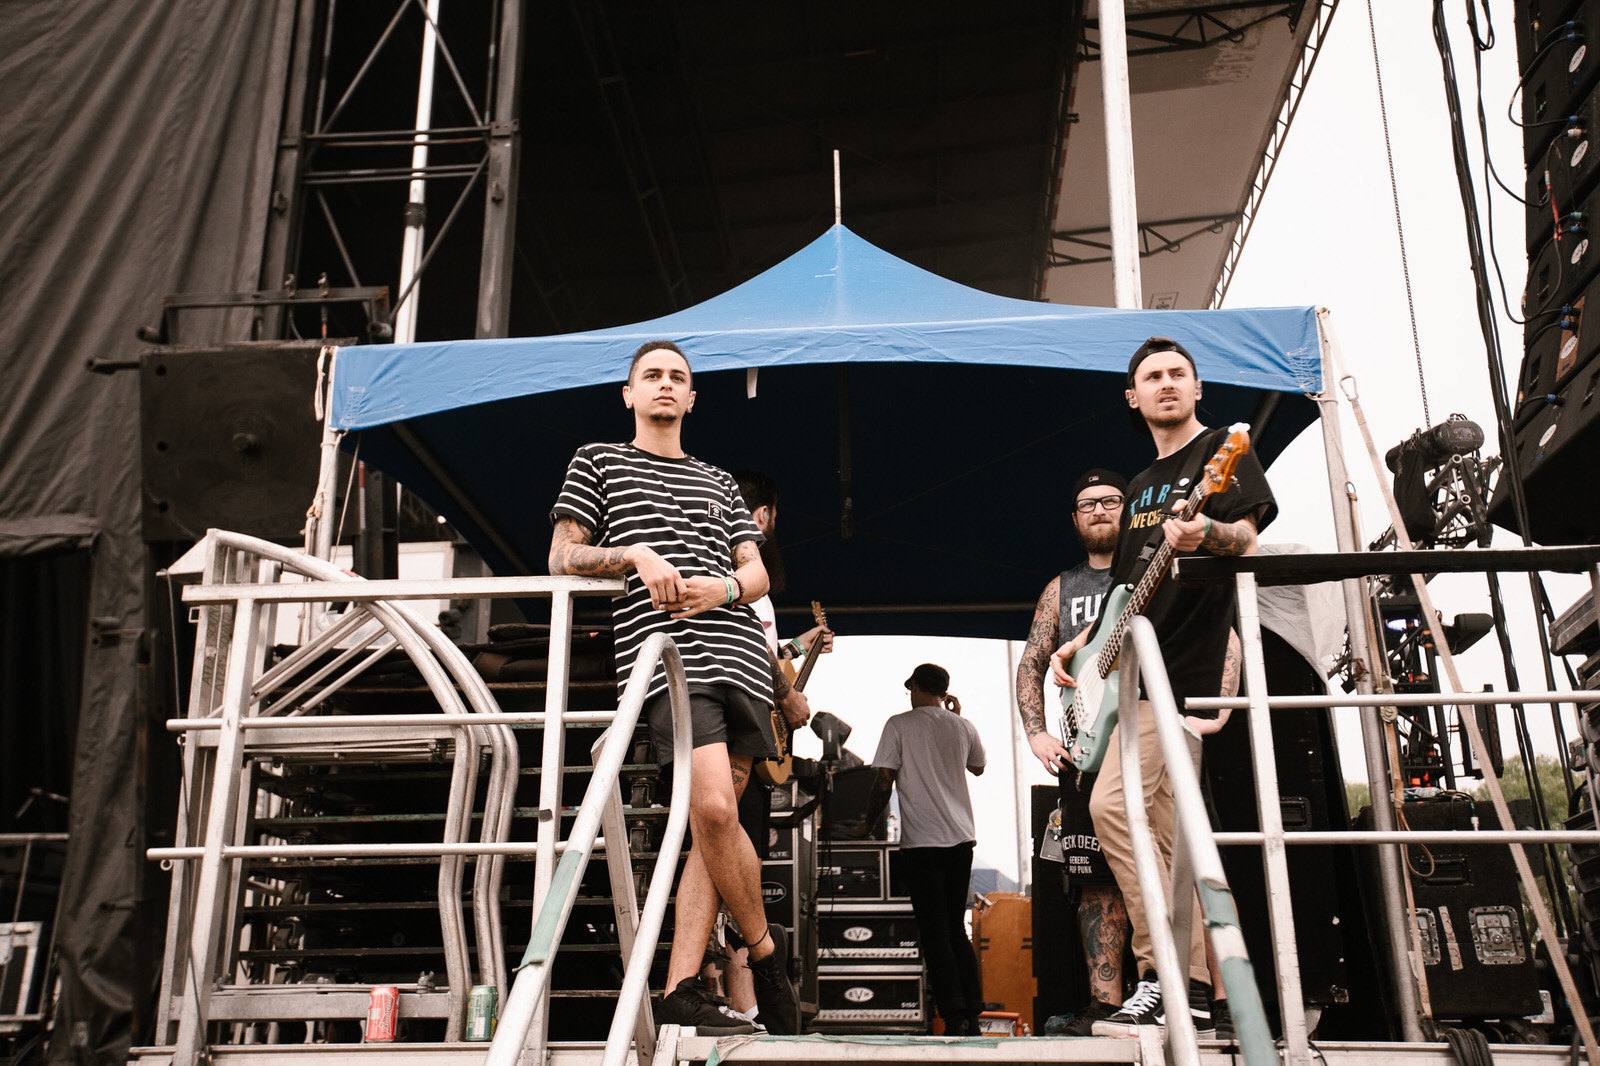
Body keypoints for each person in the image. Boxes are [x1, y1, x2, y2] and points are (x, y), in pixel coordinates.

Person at [548, 339, 801, 1036]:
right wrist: (634, 553)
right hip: (669, 662)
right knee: (715, 810)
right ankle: (767, 954)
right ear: (628, 394)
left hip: (741, 658)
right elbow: (563, 555)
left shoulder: (719, 481)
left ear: (692, 399)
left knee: (708, 830)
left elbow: (756, 575)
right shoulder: (598, 460)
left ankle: (681, 988)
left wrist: (721, 588)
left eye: (678, 377)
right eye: (651, 375)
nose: (665, 384)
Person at [1051, 337, 1275, 1036]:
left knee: (1111, 808)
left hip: (1177, 677)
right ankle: (1199, 991)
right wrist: (1085, 643)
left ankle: (1161, 973)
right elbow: (1127, 586)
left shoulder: (1220, 453)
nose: (1167, 383)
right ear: (1134, 396)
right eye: (1153, 376)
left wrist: (1205, 531)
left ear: (1198, 387)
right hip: (1130, 677)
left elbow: (1248, 541)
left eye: (1179, 373)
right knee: (1171, 847)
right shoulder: (1143, 482)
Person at [713, 469, 833, 1028]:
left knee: (736, 861)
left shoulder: (739, 576)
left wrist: (800, 646)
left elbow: (764, 651)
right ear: (763, 516)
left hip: (743, 736)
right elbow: (746, 651)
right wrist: (788, 697)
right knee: (734, 862)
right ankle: (736, 998)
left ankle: (739, 1000)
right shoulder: (739, 570)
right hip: (734, 738)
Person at [1015, 468, 1130, 1035]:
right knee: (1092, 880)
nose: (1100, 510)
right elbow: (1031, 664)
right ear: (1075, 519)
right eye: (1088, 504)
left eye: (1110, 500)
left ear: (1129, 509)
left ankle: (1190, 995)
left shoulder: (1146, 571)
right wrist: (1037, 733)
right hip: (1084, 754)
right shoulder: (1061, 588)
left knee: (1169, 865)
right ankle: (1104, 1005)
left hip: (1146, 738)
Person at [857, 664, 988, 1036]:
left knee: (934, 931)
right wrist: (957, 718)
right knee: (955, 928)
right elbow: (978, 766)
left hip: (922, 843)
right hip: (961, 839)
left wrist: (867, 824)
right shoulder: (962, 726)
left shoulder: (898, 725)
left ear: (915, 686)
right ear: (944, 693)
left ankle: (954, 1014)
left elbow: (884, 781)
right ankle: (972, 1013)